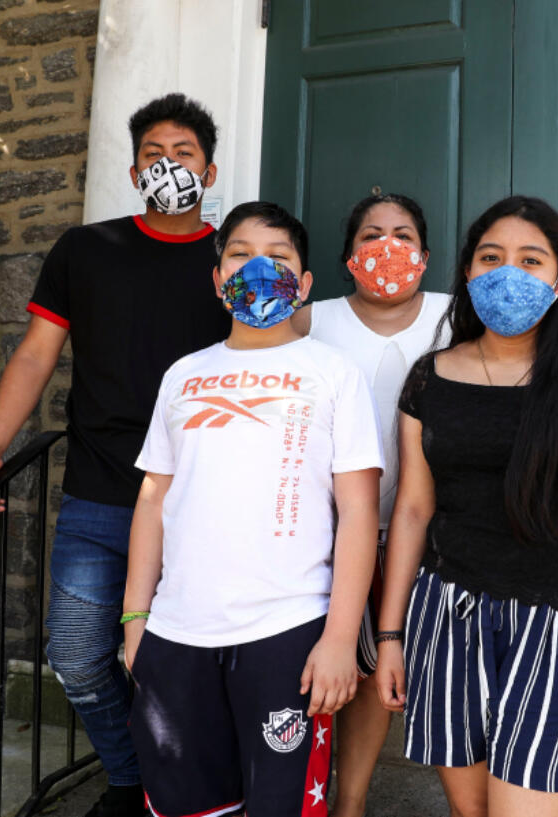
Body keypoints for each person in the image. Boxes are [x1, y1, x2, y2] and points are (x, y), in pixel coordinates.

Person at [0, 93, 231, 817]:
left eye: (185, 154)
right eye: (154, 156)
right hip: (100, 493)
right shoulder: (86, 250)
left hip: (208, 500)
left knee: (195, 664)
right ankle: (133, 777)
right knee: (78, 655)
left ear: (213, 168)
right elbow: (37, 353)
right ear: (134, 169)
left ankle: (195, 788)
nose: (169, 166)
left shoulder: (235, 260)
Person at [375, 196, 558, 817]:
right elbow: (415, 513)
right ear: (468, 274)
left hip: (555, 627)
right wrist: (391, 635)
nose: (509, 273)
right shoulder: (429, 378)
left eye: (531, 261)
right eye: (491, 258)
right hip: (445, 617)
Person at [122, 201, 383, 817]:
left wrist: (342, 637)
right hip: (177, 633)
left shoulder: (333, 373)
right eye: (239, 254)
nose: (258, 268)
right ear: (217, 279)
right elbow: (153, 497)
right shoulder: (183, 375)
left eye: (279, 257)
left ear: (306, 282)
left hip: (287, 634)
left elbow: (358, 513)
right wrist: (136, 622)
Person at [292, 193, 450, 817]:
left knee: (417, 668)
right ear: (349, 255)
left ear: (426, 254)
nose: (388, 247)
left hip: (431, 534)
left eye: (404, 234)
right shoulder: (313, 319)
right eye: (371, 235)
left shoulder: (454, 316)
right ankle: (344, 804)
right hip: (331, 531)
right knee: (349, 673)